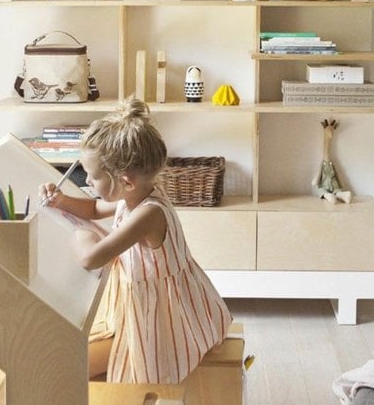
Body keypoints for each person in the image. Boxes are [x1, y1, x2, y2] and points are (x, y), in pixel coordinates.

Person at [39, 97, 232, 382]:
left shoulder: (148, 215)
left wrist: (83, 236)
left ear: (126, 181)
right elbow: (93, 208)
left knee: (74, 365)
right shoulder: (133, 197)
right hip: (138, 306)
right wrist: (63, 201)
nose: (87, 182)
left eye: (92, 177)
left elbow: (91, 257)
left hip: (162, 320)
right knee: (77, 357)